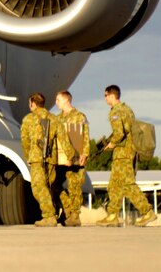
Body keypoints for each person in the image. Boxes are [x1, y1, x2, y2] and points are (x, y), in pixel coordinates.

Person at [98, 85, 157, 227]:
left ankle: (147, 211)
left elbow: (119, 133)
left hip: (123, 153)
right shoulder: (127, 109)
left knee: (127, 184)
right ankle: (112, 215)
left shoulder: (115, 112)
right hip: (129, 151)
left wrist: (111, 143)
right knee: (114, 184)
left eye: (105, 95)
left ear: (111, 96)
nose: (104, 98)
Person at [20, 92, 58, 226]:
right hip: (52, 158)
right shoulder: (54, 118)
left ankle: (49, 216)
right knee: (48, 187)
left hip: (37, 158)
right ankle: (53, 213)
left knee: (38, 188)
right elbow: (62, 138)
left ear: (32, 103)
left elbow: (25, 141)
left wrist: (27, 156)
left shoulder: (29, 119)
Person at [53, 90, 89, 227]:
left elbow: (85, 136)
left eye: (58, 100)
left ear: (66, 100)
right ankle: (68, 210)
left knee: (75, 187)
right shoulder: (58, 118)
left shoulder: (79, 116)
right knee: (54, 185)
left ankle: (75, 216)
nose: (56, 103)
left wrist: (84, 154)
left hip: (76, 160)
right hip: (61, 160)